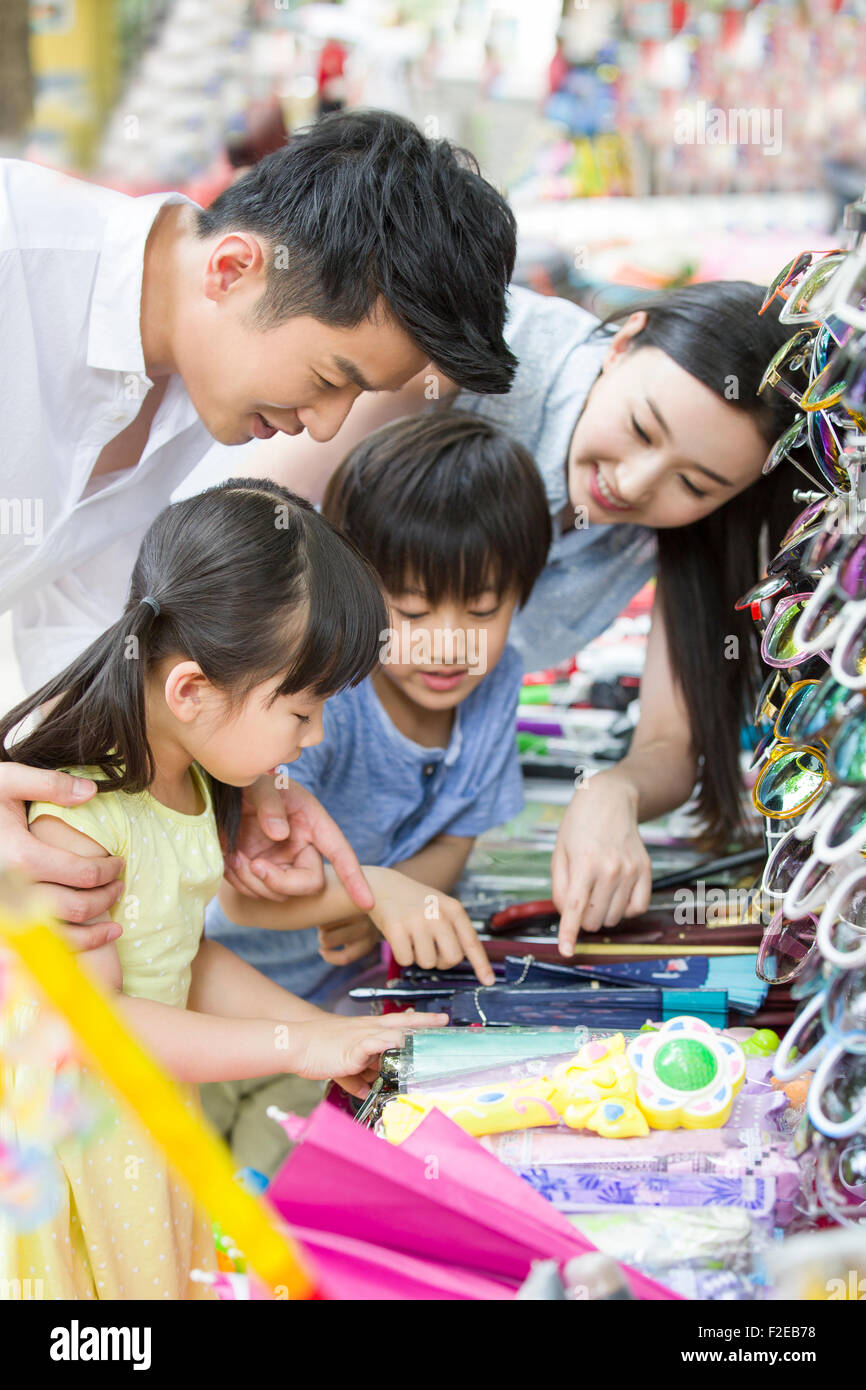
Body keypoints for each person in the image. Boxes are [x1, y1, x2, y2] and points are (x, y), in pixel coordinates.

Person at [0, 107, 518, 945]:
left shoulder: (189, 385)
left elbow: (84, 631)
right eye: (328, 377)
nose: (323, 427)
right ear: (235, 268)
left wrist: (230, 766)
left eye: (355, 400)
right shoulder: (14, 263)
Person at [249, 279, 801, 952]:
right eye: (639, 429)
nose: (630, 484)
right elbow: (248, 529)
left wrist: (614, 790)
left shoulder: (695, 534)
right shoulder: (465, 350)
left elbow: (669, 741)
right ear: (624, 342)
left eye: (693, 485)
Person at [0, 479, 447, 1299]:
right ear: (192, 690)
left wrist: (325, 1032)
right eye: (301, 712)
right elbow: (95, 1030)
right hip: (72, 1139)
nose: (311, 741)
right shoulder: (82, 816)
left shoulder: (191, 781)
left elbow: (179, 958)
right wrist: (301, 1046)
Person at [202, 412, 553, 1172]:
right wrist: (377, 894)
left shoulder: (498, 690)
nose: (449, 641)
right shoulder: (321, 701)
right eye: (415, 610)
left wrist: (395, 906)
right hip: (210, 1002)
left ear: (523, 594)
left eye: (483, 609)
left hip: (333, 1019)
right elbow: (243, 900)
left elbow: (457, 839)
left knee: (281, 1192)